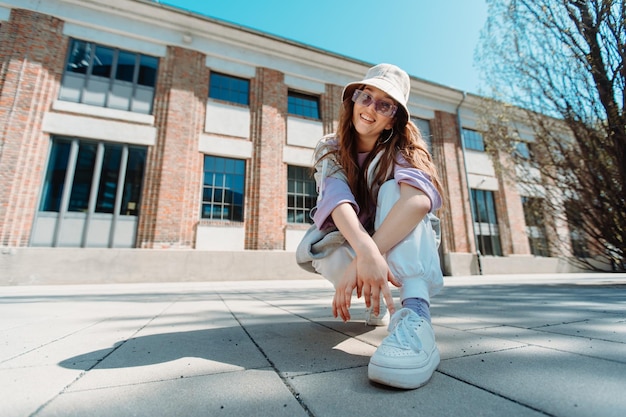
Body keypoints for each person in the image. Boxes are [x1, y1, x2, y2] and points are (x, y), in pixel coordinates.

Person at [301, 63, 444, 389]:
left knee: (399, 190)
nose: (371, 109)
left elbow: (417, 202)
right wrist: (363, 252)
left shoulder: (403, 149)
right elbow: (336, 200)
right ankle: (375, 300)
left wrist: (369, 255)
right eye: (366, 97)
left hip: (401, 239)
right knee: (325, 247)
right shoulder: (331, 147)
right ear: (353, 99)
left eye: (384, 105)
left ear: (393, 117)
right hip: (357, 240)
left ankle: (417, 317)